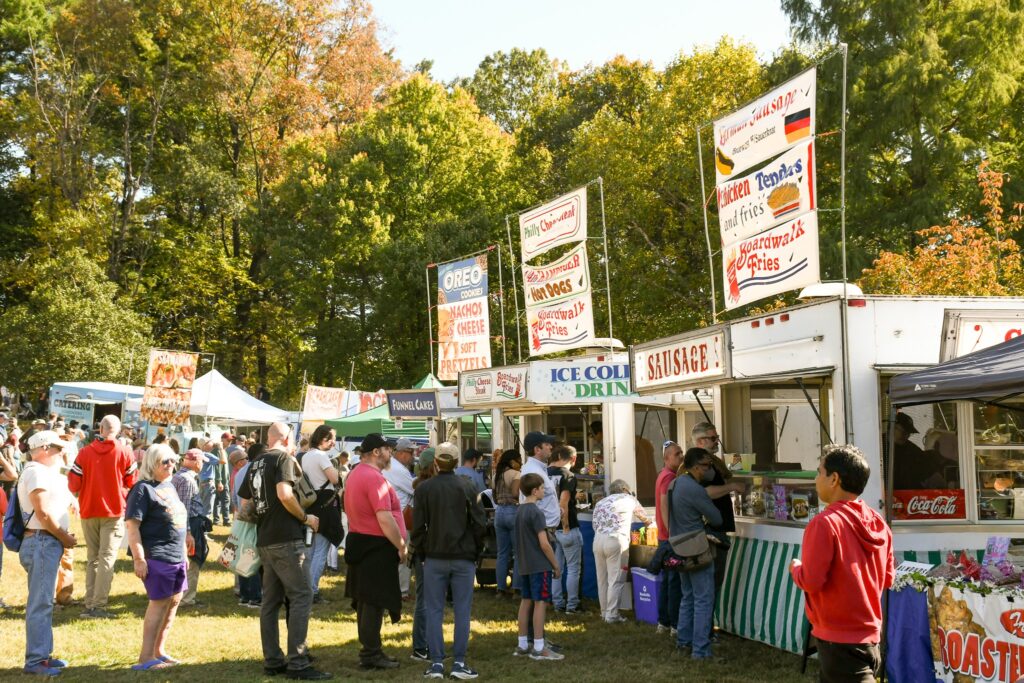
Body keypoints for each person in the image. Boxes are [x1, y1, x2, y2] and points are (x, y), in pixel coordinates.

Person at [790, 444, 894, 683]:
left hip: (838, 639)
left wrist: (795, 568)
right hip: (870, 637)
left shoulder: (824, 523)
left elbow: (811, 581)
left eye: (819, 472)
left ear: (834, 479)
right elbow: (887, 579)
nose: (816, 479)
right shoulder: (878, 523)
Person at [238, 422, 330, 681]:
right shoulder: (283, 459)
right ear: (288, 438)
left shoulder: (256, 462)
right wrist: (305, 518)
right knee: (302, 595)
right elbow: (285, 494)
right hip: (286, 538)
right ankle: (298, 662)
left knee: (270, 602)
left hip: (265, 539)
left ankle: (273, 660)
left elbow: (244, 506)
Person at [413, 442, 487, 680]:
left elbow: (417, 528)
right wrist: (475, 550)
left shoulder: (424, 489)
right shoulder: (468, 485)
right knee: (462, 610)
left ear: (436, 462)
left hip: (434, 556)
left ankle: (436, 663)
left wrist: (423, 553)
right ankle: (459, 662)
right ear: (456, 463)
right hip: (463, 556)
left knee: (434, 610)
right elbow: (480, 523)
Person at [343, 433, 406, 671]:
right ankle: (371, 653)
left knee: (366, 602)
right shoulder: (372, 477)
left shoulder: (356, 473)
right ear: (377, 452)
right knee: (372, 602)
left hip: (362, 542)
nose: (390, 453)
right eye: (388, 449)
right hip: (374, 546)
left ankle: (371, 651)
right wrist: (401, 545)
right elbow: (385, 517)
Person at [18, 430, 77, 677]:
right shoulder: (35, 472)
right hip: (42, 541)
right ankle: (36, 660)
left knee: (44, 602)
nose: (61, 452)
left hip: (44, 542)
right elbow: (42, 513)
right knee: (40, 604)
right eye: (57, 448)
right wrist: (64, 537)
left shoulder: (39, 471)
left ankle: (42, 655)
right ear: (43, 448)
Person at [124, 444, 189, 671]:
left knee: (173, 602)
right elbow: (132, 527)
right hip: (157, 555)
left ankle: (159, 651)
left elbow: (178, 520)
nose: (171, 465)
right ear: (152, 463)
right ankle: (146, 657)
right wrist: (139, 559)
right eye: (165, 461)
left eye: (173, 460)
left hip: (176, 555)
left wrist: (183, 552)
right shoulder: (142, 489)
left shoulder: (169, 486)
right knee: (159, 604)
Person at [67, 414, 138, 619]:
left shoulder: (84, 452)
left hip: (89, 510)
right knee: (106, 558)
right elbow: (133, 482)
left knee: (93, 558)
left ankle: (90, 602)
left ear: (100, 429)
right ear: (119, 431)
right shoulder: (125, 452)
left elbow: (73, 484)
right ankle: (98, 605)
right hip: (114, 512)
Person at [690, 421, 745, 640]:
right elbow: (704, 493)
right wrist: (731, 487)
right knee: (709, 584)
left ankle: (699, 631)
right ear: (700, 441)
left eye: (717, 437)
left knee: (708, 585)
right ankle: (703, 634)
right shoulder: (700, 465)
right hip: (710, 531)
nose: (716, 442)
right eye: (713, 438)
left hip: (714, 529)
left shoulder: (712, 463)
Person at [669, 448, 722, 660]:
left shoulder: (675, 483)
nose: (709, 470)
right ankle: (701, 650)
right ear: (696, 466)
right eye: (707, 465)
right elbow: (716, 518)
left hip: (677, 545)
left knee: (688, 596)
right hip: (697, 549)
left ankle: (684, 642)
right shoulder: (695, 489)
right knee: (703, 599)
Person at [514, 472, 563, 661]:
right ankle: (539, 646)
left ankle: (522, 644)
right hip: (539, 564)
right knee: (540, 602)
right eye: (542, 488)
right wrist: (555, 565)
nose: (544, 491)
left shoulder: (519, 510)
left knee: (525, 601)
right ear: (535, 491)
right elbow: (544, 544)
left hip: (524, 563)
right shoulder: (536, 512)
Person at [592, 479, 651, 624]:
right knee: (616, 579)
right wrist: (651, 524)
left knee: (602, 579)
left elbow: (595, 525)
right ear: (625, 489)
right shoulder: (629, 499)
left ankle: (604, 612)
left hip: (598, 540)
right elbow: (644, 517)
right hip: (616, 540)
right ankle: (612, 615)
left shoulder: (601, 502)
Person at [301, 425, 341, 604]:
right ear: (323, 438)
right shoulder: (321, 456)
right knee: (321, 550)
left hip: (311, 503)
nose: (333, 442)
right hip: (325, 505)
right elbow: (335, 479)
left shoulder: (306, 455)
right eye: (331, 439)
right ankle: (313, 590)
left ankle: (306, 588)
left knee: (310, 550)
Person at [548, 444, 582, 614]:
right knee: (573, 569)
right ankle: (572, 606)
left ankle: (557, 603)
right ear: (573, 458)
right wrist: (566, 526)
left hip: (550, 528)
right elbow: (563, 503)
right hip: (566, 527)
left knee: (556, 568)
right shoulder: (568, 475)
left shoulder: (544, 473)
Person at [409, 447, 436, 662]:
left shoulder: (421, 486)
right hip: (426, 549)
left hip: (424, 548)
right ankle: (420, 646)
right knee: (425, 599)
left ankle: (425, 644)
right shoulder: (425, 489)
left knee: (427, 598)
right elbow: (421, 525)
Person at [655, 440, 684, 635]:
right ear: (666, 458)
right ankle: (674, 624)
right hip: (669, 538)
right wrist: (672, 532)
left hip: (665, 537)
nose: (681, 456)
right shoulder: (669, 477)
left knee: (667, 581)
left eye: (681, 452)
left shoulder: (663, 475)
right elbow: (664, 504)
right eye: (677, 454)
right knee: (674, 582)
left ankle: (663, 622)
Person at [172, 449, 206, 609]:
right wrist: (188, 533)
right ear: (195, 462)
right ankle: (187, 598)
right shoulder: (187, 480)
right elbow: (184, 507)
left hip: (182, 525)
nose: (202, 464)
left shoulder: (179, 476)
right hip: (190, 525)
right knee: (192, 562)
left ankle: (181, 595)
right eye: (202, 461)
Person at [382, 437, 415, 601]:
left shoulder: (392, 466)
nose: (413, 456)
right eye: (411, 452)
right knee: (403, 554)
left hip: (393, 516)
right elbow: (415, 488)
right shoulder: (398, 469)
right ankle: (402, 591)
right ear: (402, 453)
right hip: (401, 516)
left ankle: (393, 588)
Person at [234, 443, 265, 608]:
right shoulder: (258, 470)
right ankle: (255, 597)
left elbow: (235, 498)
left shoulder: (240, 471)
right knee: (253, 557)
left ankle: (245, 595)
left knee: (244, 557)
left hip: (241, 517)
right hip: (254, 518)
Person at [492, 449, 521, 597]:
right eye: (519, 459)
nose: (520, 462)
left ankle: (500, 589)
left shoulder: (496, 475)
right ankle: (517, 588)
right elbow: (516, 493)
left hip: (499, 513)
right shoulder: (516, 474)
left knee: (502, 553)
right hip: (513, 511)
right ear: (512, 461)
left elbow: (494, 496)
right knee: (518, 553)